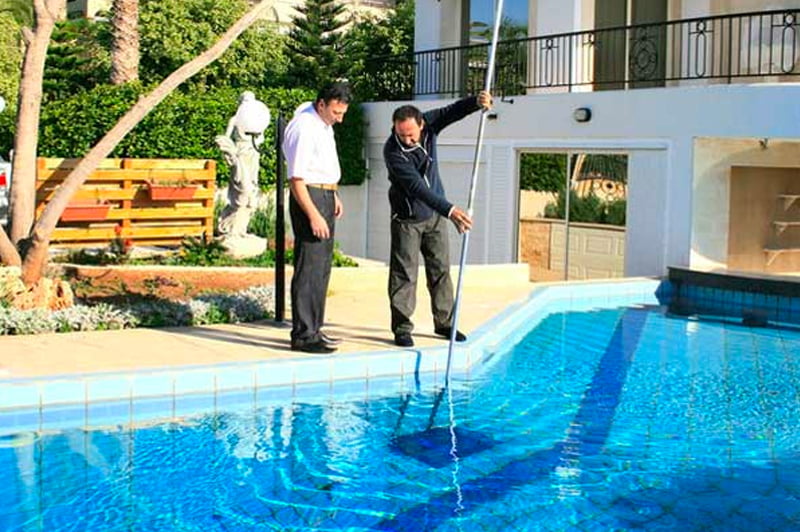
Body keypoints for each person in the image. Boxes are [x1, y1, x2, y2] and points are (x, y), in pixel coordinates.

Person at [384, 91, 492, 347]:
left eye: (411, 134)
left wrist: (476, 103)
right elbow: (417, 188)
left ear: (421, 124)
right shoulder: (393, 152)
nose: (407, 139)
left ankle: (444, 323)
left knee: (440, 271)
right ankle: (402, 328)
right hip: (408, 219)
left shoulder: (429, 124)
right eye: (402, 134)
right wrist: (450, 210)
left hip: (434, 218)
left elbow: (451, 111)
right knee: (404, 274)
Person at [282, 81, 351, 354]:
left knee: (321, 267)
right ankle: (303, 335)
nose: (340, 119)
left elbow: (320, 168)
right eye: (336, 112)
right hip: (308, 198)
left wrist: (332, 194)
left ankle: (314, 329)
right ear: (321, 104)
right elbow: (297, 178)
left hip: (323, 195)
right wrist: (313, 214)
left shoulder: (323, 125)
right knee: (309, 267)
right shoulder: (304, 128)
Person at [215, 91, 270, 239]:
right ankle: (229, 227)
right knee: (241, 188)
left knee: (252, 188)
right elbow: (226, 138)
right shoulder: (235, 119)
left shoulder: (256, 120)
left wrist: (255, 140)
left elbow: (261, 138)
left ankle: (241, 229)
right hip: (240, 153)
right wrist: (229, 153)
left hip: (252, 152)